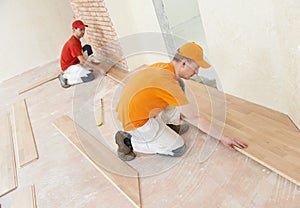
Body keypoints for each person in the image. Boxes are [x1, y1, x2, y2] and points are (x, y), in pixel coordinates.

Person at [115, 42, 248, 161]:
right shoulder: (168, 83)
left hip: (138, 110)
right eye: (195, 68)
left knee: (180, 84)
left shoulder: (164, 67)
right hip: (136, 123)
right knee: (178, 148)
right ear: (183, 63)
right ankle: (128, 140)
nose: (196, 72)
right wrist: (223, 137)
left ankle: (167, 124)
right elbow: (196, 118)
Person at [58, 20, 96, 88]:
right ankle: (65, 78)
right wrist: (99, 69)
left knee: (87, 48)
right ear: (74, 29)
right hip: (69, 67)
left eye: (84, 29)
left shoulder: (76, 40)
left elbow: (80, 55)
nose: (83, 32)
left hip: (75, 62)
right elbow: (82, 60)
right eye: (81, 29)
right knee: (90, 76)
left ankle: (81, 69)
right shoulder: (73, 43)